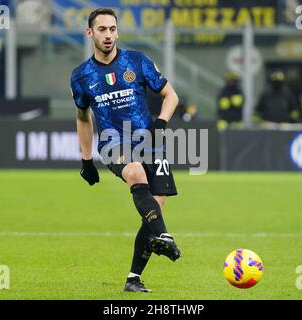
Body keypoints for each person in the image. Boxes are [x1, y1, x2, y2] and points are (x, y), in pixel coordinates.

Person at [70, 8, 181, 293]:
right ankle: (165, 236)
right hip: (113, 143)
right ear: (90, 33)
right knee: (133, 171)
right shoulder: (81, 76)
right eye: (102, 29)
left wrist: (160, 123)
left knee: (155, 207)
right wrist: (86, 159)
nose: (108, 35)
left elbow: (171, 95)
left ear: (117, 31)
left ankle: (134, 278)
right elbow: (83, 117)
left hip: (150, 143)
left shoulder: (137, 61)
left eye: (112, 29)